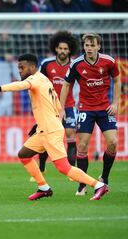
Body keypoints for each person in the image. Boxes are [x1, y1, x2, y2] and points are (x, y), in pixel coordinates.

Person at [0, 53, 108, 201]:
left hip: (50, 130)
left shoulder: (34, 79)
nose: (20, 71)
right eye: (18, 68)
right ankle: (44, 188)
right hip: (46, 128)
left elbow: (21, 85)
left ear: (33, 67)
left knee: (63, 167)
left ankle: (98, 185)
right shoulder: (45, 80)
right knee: (24, 154)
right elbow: (58, 107)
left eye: (22, 67)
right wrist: (41, 122)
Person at [60, 33, 121, 196]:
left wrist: (115, 102)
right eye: (86, 45)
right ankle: (82, 184)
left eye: (92, 45)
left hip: (104, 108)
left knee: (113, 143)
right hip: (86, 108)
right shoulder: (77, 64)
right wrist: (61, 108)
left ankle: (104, 179)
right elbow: (66, 85)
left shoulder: (109, 61)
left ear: (98, 46)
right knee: (82, 146)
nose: (89, 48)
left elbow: (117, 80)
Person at [30, 30, 79, 182]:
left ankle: (72, 172)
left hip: (69, 106)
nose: (63, 51)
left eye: (66, 49)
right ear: (55, 49)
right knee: (46, 137)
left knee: (70, 135)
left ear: (70, 49)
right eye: (60, 48)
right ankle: (42, 169)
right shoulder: (46, 64)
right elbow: (37, 81)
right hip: (49, 108)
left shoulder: (75, 65)